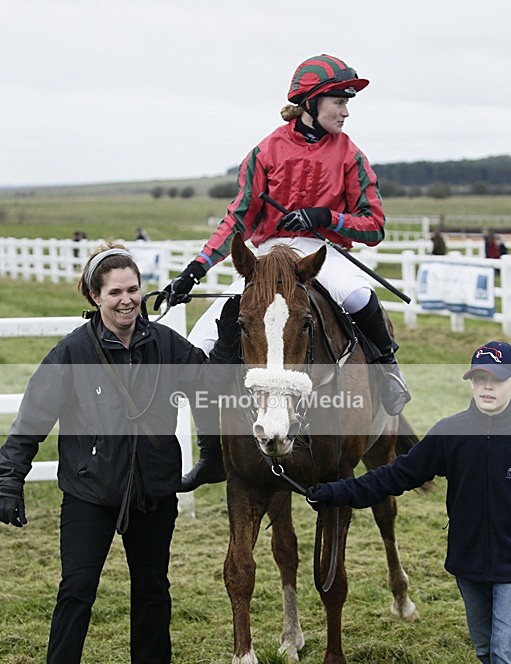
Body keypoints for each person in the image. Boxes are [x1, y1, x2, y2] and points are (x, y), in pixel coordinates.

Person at [0, 244, 239, 664]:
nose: (127, 300)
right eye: (115, 292)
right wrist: (9, 476)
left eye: (133, 289)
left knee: (152, 588)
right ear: (95, 295)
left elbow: (212, 387)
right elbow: (33, 417)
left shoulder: (168, 346)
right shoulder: (72, 352)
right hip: (90, 494)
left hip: (153, 492)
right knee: (76, 593)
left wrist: (231, 337)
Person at [159, 53, 411, 492]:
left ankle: (389, 377)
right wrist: (195, 270)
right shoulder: (266, 151)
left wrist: (325, 217)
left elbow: (374, 226)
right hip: (267, 254)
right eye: (339, 101)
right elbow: (237, 219)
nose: (346, 111)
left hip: (318, 253)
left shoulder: (351, 155)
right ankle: (212, 453)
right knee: (202, 339)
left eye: (348, 103)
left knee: (358, 298)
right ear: (312, 102)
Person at [306, 340, 511, 664]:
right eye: (479, 378)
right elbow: (394, 476)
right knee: (486, 649)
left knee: (505, 646)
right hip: (468, 564)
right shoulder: (450, 433)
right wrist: (335, 492)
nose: (487, 387)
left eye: (497, 380)